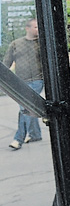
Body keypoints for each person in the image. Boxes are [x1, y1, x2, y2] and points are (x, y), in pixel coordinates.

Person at [6, 18, 44, 150]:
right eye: (35, 27)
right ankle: (35, 134)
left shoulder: (41, 44)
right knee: (29, 108)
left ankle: (18, 139)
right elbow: (6, 63)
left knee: (25, 108)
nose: (38, 30)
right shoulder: (16, 44)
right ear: (27, 28)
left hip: (37, 81)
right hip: (21, 82)